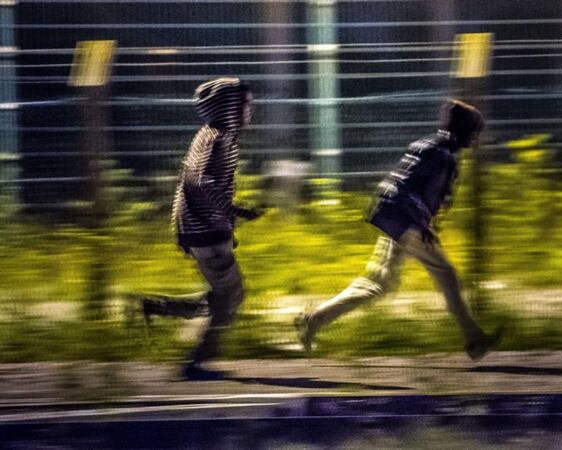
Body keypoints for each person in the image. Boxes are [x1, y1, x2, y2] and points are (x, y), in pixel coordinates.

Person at [295, 99, 501, 361]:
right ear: (463, 131)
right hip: (409, 224)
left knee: (377, 284)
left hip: (396, 219)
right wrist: (422, 222)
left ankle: (312, 320)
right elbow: (409, 191)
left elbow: (405, 185)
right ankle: (475, 341)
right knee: (446, 275)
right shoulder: (442, 156)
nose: (477, 138)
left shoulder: (429, 147)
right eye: (475, 132)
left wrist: (423, 220)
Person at [138, 77, 262, 380]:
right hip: (204, 231)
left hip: (204, 229)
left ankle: (159, 308)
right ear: (229, 107)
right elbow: (200, 182)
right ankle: (195, 363)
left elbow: (205, 185)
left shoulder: (215, 136)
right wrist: (235, 210)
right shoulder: (217, 139)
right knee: (230, 296)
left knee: (225, 295)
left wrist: (228, 221)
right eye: (245, 104)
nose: (250, 110)